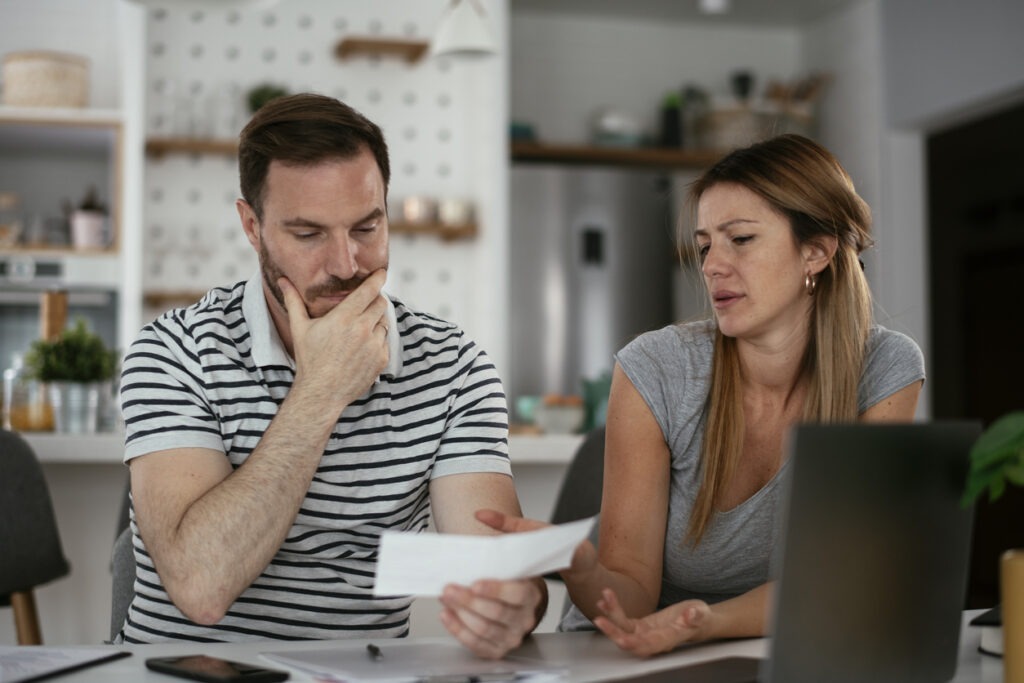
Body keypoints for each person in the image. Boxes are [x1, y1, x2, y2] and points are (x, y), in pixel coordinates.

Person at [115, 93, 546, 657]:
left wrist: (518, 602)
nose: (346, 264)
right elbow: (201, 586)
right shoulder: (173, 350)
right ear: (252, 225)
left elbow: (490, 563)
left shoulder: (454, 365)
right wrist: (320, 391)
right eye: (308, 234)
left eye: (367, 227)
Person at [480, 133, 925, 657]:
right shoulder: (656, 367)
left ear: (816, 252)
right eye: (705, 244)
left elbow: (841, 578)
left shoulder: (886, 369)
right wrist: (584, 567)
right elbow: (632, 598)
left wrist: (705, 623)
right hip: (625, 658)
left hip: (778, 652)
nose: (712, 264)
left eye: (740, 239)